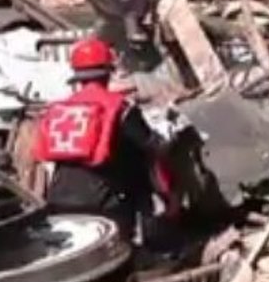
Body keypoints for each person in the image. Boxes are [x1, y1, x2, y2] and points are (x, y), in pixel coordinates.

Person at [34, 36, 172, 241]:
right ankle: (152, 235)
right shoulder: (119, 107)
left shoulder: (59, 109)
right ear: (108, 72)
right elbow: (149, 143)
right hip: (104, 202)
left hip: (58, 197)